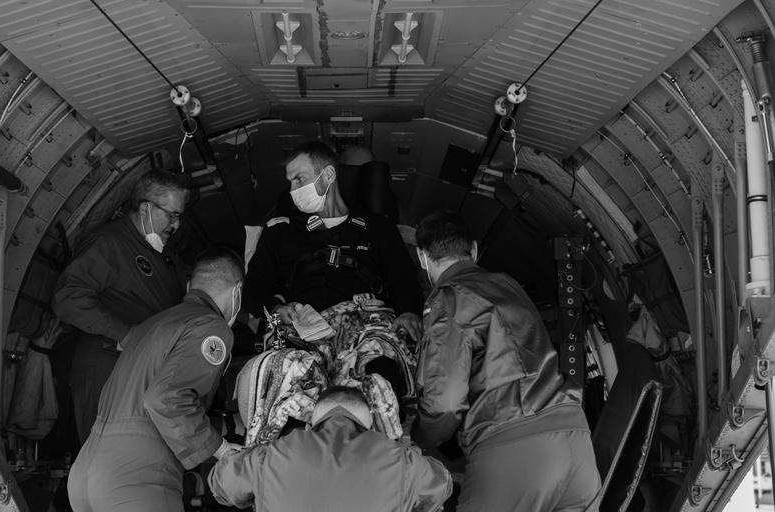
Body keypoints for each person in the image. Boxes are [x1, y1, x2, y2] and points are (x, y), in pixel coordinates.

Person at [412, 210, 600, 512]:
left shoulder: (447, 299)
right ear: (473, 250)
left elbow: (445, 403)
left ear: (422, 257)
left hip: (517, 447)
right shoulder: (506, 283)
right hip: (576, 442)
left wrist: (417, 436)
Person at [67, 247, 244, 512]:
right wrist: (220, 450)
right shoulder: (209, 326)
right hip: (137, 475)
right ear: (237, 292)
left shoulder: (152, 324)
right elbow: (166, 398)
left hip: (87, 471)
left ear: (189, 286)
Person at [52, 169, 189, 444]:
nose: (175, 225)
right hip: (105, 368)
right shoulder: (109, 243)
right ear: (146, 208)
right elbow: (68, 298)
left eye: (179, 217)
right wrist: (126, 334)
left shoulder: (161, 255)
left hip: (140, 371)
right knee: (104, 453)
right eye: (172, 215)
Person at [244, 141, 422, 337]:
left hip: (367, 326)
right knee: (288, 367)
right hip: (303, 329)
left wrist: (408, 311)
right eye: (290, 182)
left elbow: (403, 277)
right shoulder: (280, 231)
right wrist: (275, 308)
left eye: (299, 179)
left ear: (328, 175)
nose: (292, 189)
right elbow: (253, 287)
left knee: (379, 364)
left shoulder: (378, 227)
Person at [208, 386, 452, 511]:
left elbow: (221, 484)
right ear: (369, 421)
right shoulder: (402, 461)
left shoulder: (272, 454)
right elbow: (442, 487)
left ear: (312, 422)